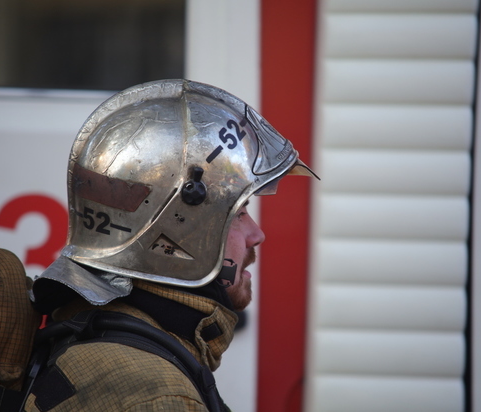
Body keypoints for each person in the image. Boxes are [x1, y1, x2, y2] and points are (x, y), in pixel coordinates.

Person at [24, 79, 317, 411]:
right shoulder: (155, 396)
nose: (257, 234)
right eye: (239, 213)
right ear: (179, 228)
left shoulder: (92, 326)